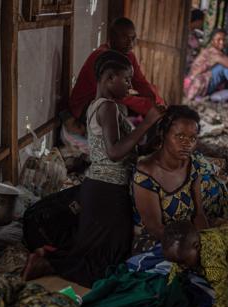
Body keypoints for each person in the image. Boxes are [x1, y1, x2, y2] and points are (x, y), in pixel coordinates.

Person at [22, 51, 165, 288]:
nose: (131, 85)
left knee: (102, 252)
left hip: (102, 188)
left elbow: (123, 148)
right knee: (105, 261)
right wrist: (148, 122)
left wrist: (150, 141)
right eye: (126, 79)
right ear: (109, 78)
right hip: (106, 190)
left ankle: (46, 259)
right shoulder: (107, 107)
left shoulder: (101, 106)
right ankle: (47, 264)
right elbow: (114, 152)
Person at [131, 106, 228, 253]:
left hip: (188, 236)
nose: (187, 144)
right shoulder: (145, 174)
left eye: (193, 138)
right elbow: (155, 228)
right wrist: (189, 245)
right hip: (159, 240)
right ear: (163, 134)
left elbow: (199, 214)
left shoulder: (192, 164)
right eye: (179, 137)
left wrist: (206, 241)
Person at [62, 17, 164, 154]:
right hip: (85, 106)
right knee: (118, 109)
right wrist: (148, 106)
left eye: (133, 38)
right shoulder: (102, 58)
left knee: (153, 105)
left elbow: (141, 83)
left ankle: (144, 149)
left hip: (113, 99)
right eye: (125, 38)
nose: (130, 43)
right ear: (112, 37)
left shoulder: (129, 56)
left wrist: (156, 100)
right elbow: (117, 97)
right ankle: (116, 149)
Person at [184, 29, 228, 103]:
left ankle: (205, 98)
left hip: (198, 87)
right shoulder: (213, 52)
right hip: (199, 85)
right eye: (218, 39)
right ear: (212, 41)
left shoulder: (212, 51)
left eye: (224, 40)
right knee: (223, 67)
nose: (222, 42)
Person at [186, 9, 205, 74]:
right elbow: (194, 45)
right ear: (197, 20)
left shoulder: (193, 32)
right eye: (202, 21)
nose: (202, 23)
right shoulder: (187, 32)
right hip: (188, 64)